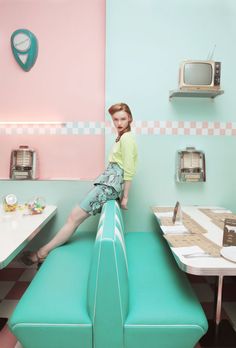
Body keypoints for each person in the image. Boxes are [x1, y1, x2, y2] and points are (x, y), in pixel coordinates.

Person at [22, 102, 138, 266]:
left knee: (73, 218)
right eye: (115, 120)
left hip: (109, 186)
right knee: (73, 219)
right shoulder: (123, 137)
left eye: (123, 119)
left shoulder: (127, 138)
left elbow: (129, 169)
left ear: (130, 118)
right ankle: (43, 252)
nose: (119, 123)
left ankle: (42, 253)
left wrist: (125, 196)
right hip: (107, 183)